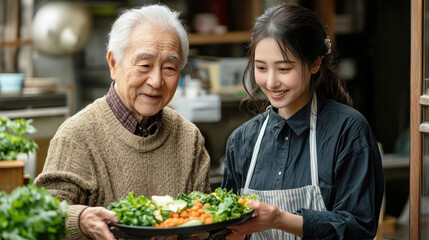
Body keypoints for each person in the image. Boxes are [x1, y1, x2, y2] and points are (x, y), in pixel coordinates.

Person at [34, 4, 211, 240]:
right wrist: (81, 219)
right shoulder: (77, 135)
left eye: (169, 67)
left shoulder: (189, 138)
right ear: (113, 64)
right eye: (145, 65)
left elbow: (205, 224)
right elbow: (41, 216)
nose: (157, 81)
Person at [221, 4, 384, 240]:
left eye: (284, 68)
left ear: (315, 63)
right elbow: (226, 224)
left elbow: (358, 228)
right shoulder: (242, 140)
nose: (271, 81)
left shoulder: (348, 131)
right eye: (261, 68)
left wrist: (280, 219)